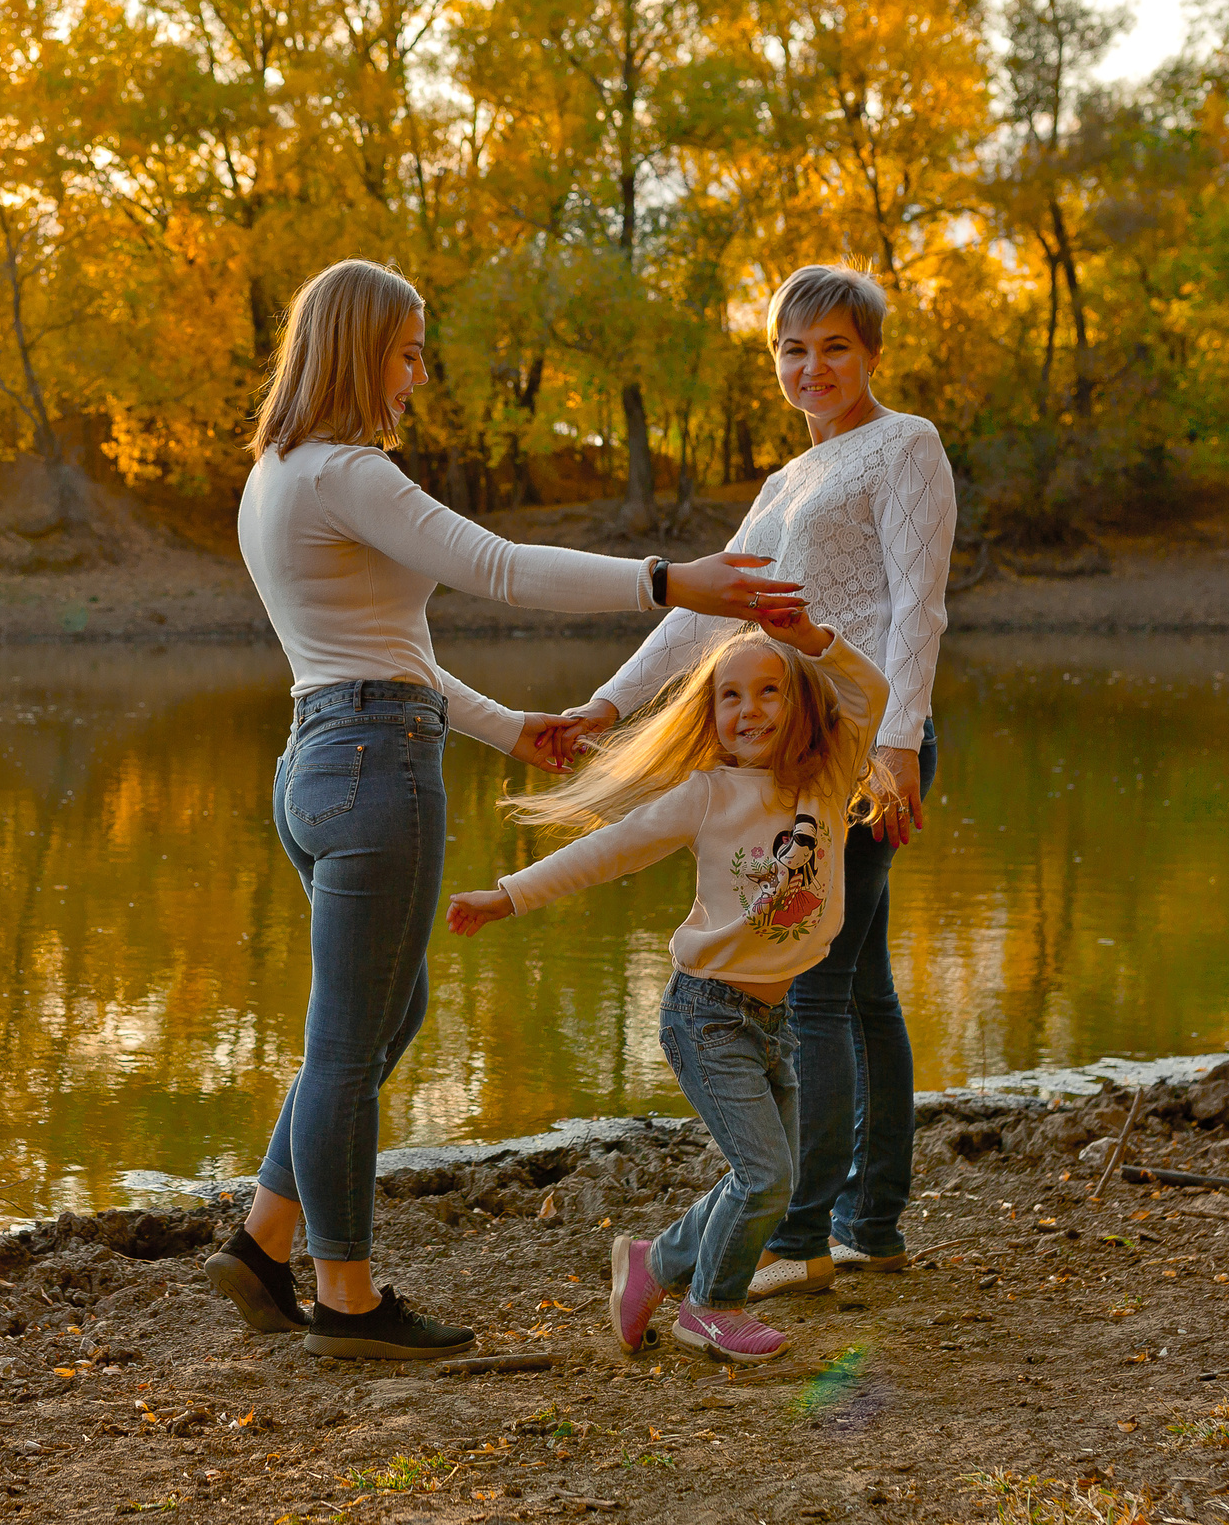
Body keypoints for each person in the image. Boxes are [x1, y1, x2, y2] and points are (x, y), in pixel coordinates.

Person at [202, 259, 803, 1363]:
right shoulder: (349, 474)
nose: (417, 375)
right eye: (408, 350)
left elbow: (386, 651)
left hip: (320, 759)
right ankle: (344, 1300)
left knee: (381, 1020)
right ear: (357, 349)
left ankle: (260, 1244)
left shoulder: (274, 477)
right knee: (347, 1045)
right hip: (375, 766)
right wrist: (672, 581)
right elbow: (502, 567)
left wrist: (509, 727)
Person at [557, 264, 955, 1299]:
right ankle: (868, 1225)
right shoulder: (786, 482)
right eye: (792, 348)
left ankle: (799, 1239)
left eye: (833, 346)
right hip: (803, 752)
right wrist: (605, 707)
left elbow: (916, 607)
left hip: (859, 745)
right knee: (859, 990)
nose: (811, 366)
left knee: (817, 991)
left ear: (869, 352)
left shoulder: (903, 445)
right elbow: (703, 613)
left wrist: (899, 742)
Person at [447, 604, 890, 1362]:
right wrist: (507, 894)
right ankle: (709, 1307)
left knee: (767, 1179)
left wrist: (810, 640)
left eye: (769, 691)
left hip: (772, 1020)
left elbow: (870, 693)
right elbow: (612, 849)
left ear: (803, 702)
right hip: (707, 1014)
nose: (749, 709)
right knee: (765, 1175)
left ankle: (655, 1263)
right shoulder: (708, 794)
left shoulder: (830, 773)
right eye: (730, 696)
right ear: (710, 713)